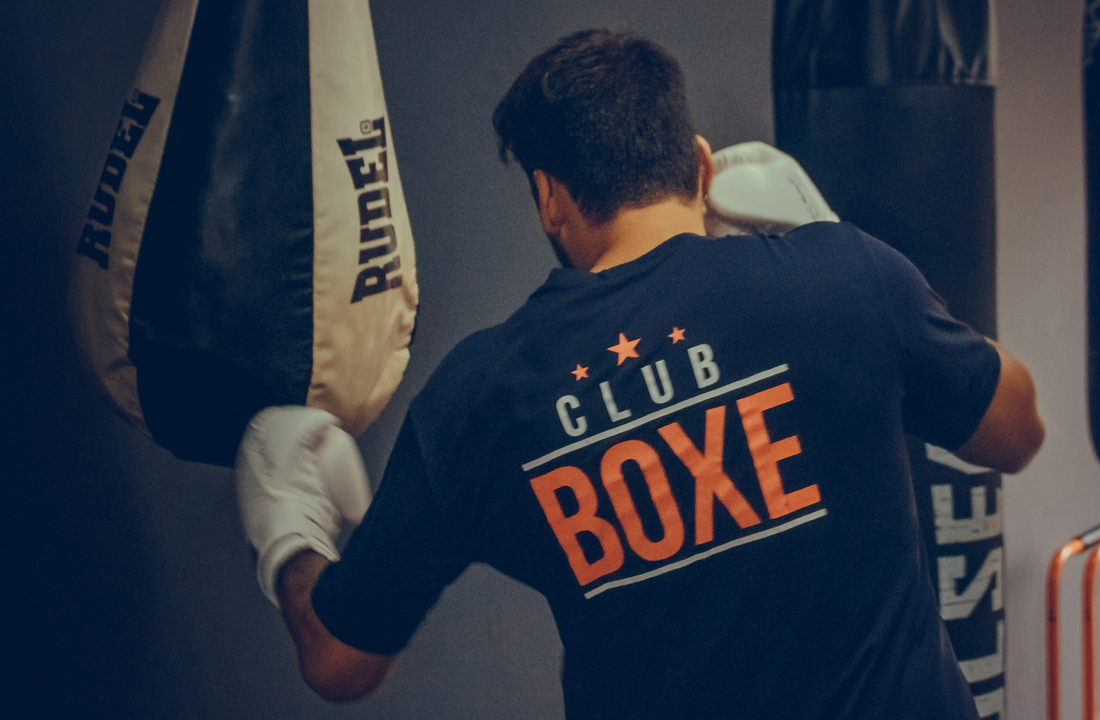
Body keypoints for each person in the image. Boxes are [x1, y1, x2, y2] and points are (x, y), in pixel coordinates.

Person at [235, 27, 1044, 719]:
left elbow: (339, 662)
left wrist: (289, 532)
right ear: (700, 164)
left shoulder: (478, 397)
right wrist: (848, 260)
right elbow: (1017, 432)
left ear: (549, 198)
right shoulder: (842, 277)